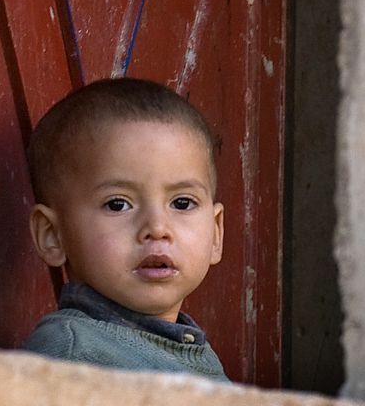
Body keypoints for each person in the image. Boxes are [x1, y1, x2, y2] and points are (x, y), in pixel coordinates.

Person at [21, 77, 228, 380]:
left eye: (182, 203)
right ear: (53, 235)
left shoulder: (195, 354)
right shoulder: (70, 358)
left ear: (216, 232)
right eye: (118, 204)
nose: (157, 228)